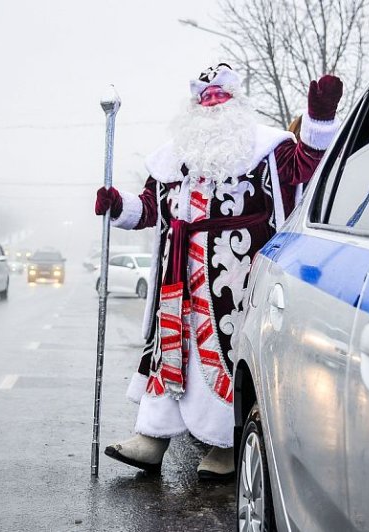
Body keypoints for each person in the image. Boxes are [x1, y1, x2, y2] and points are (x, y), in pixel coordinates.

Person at [94, 63, 342, 479]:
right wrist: (118, 205)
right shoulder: (171, 160)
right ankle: (153, 437)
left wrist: (319, 120)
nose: (211, 107)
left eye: (219, 99)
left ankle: (227, 443)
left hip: (235, 274)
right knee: (170, 351)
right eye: (203, 100)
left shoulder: (265, 147)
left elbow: (307, 168)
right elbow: (150, 209)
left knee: (228, 356)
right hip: (176, 277)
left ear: (237, 105)